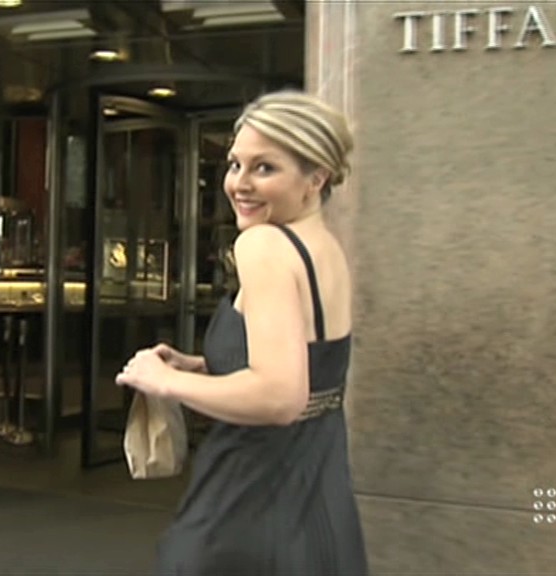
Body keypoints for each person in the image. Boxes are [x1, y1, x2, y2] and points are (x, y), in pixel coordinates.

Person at [116, 90, 368, 575]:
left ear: (316, 178)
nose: (239, 184)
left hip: (250, 495)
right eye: (235, 165)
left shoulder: (263, 245)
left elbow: (281, 397)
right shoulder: (325, 248)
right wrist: (207, 365)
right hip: (317, 493)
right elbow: (308, 365)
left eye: (264, 168)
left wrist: (164, 380)